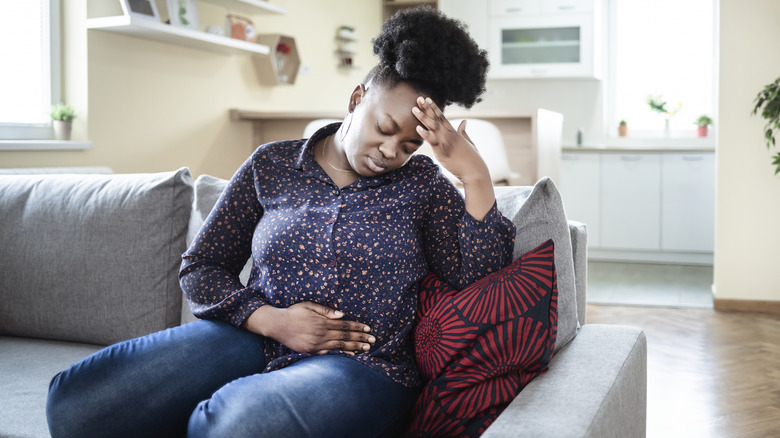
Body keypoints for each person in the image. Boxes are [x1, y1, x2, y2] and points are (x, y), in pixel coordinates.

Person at [45, 6, 516, 438]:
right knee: (75, 404)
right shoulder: (271, 164)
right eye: (385, 129)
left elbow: (475, 279)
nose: (391, 152)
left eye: (409, 145)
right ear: (357, 98)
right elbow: (201, 267)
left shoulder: (421, 184)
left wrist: (474, 176)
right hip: (253, 340)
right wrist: (272, 321)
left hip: (365, 367)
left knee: (235, 425)